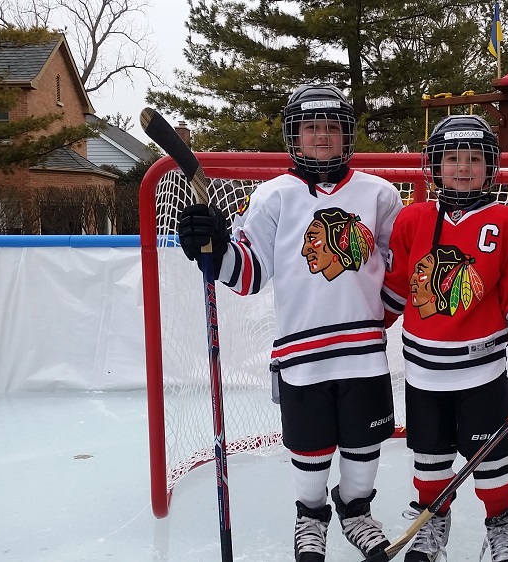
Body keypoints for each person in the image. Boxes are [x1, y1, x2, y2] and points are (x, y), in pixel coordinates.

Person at [177, 84, 403, 562]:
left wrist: (382, 314)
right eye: (311, 127)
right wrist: (212, 250)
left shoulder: (380, 194)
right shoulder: (274, 195)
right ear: (294, 137)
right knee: (311, 447)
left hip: (364, 352)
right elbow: (248, 272)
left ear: (347, 135)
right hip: (301, 358)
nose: (321, 136)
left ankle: (356, 510)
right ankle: (311, 515)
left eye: (331, 127)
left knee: (364, 444)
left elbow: (393, 266)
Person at [381, 114, 508, 562]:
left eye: (474, 158)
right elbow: (392, 292)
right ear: (435, 166)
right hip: (423, 376)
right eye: (452, 158)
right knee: (428, 456)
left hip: (482, 375)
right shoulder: (412, 221)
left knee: (491, 457)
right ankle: (433, 522)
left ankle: (502, 525)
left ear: (491, 168)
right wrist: (358, 329)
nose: (463, 167)